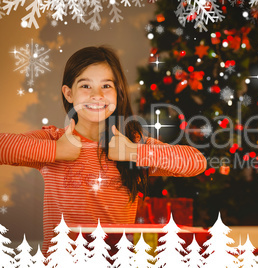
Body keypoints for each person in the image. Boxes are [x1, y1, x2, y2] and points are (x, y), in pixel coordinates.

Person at [0, 46, 207, 255]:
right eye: (86, 86)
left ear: (117, 92)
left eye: (106, 85)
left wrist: (134, 153)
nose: (97, 95)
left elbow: (196, 162)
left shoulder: (131, 144)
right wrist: (57, 150)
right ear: (69, 93)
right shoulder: (53, 139)